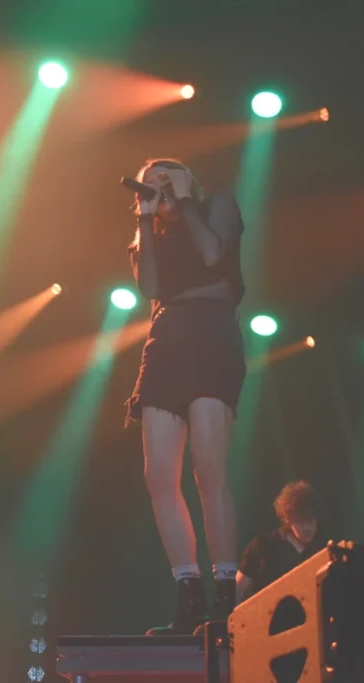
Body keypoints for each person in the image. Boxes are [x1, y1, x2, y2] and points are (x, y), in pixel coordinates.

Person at [124, 158, 247, 635]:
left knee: (208, 471)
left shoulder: (216, 205)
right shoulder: (148, 231)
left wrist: (187, 202)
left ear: (189, 178)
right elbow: (149, 287)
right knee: (158, 475)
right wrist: (145, 219)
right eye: (151, 176)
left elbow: (215, 254)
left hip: (210, 332)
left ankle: (224, 595)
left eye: (169, 172)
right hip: (165, 335)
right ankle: (188, 594)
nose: (159, 179)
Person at [236, 481, 325, 604]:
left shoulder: (320, 553)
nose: (307, 527)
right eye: (300, 521)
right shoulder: (263, 546)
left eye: (311, 520)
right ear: (287, 520)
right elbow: (238, 589)